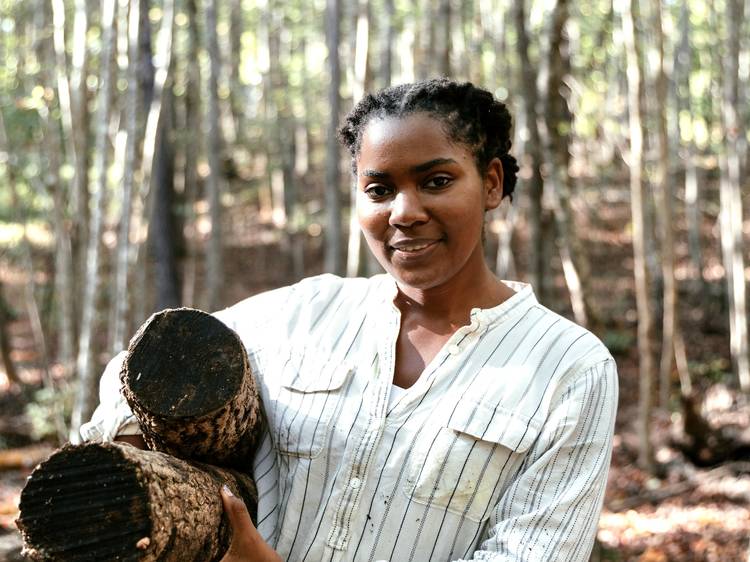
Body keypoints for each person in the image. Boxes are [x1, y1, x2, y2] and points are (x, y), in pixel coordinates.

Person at [83, 78, 618, 562]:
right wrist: (142, 460)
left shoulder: (568, 368)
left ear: (493, 184)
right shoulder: (303, 314)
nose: (403, 212)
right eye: (379, 189)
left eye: (435, 181)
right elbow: (137, 368)